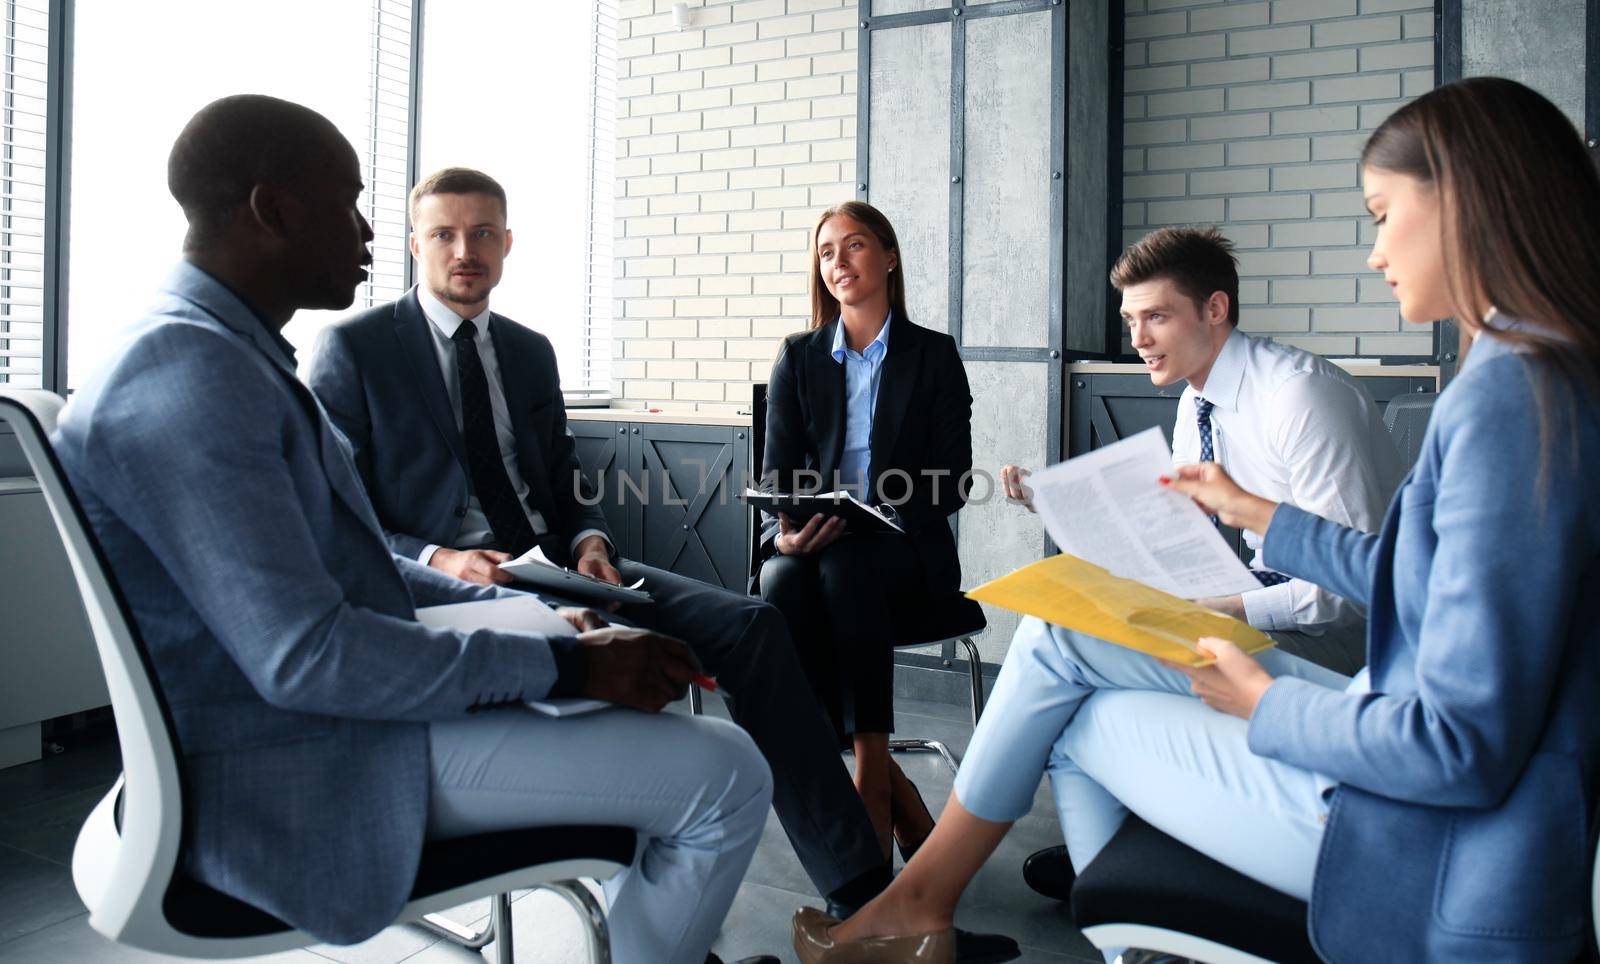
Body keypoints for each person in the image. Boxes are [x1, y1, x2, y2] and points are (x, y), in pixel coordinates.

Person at [791, 76, 1600, 964]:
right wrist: (1259, 515)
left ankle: (968, 909)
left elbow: (1457, 743)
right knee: (1064, 658)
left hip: (1414, 829)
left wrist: (1266, 702)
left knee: (1068, 700)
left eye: (1380, 213)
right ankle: (1040, 922)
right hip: (1411, 769)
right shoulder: (1537, 378)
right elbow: (1430, 582)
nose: (1374, 253)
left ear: (1464, 204)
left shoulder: (1502, 402)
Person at [53, 95, 778, 964]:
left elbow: (344, 568)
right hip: (302, 760)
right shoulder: (191, 377)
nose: (367, 232)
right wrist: (561, 662)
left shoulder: (219, 353)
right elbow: (306, 656)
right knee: (729, 777)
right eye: (350, 202)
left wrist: (543, 619)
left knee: (676, 721)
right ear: (271, 209)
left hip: (338, 712)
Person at [305, 169, 909, 935]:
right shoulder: (353, 349)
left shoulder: (527, 351)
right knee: (623, 668)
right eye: (446, 234)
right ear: (416, 243)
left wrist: (591, 538)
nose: (466, 250)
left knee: (755, 624)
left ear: (508, 243)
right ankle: (665, 917)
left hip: (559, 564)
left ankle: (864, 901)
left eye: (484, 233)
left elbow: (563, 480)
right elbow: (342, 524)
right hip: (456, 589)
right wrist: (437, 557)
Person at [1001, 225, 1404, 900]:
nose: (1138, 338)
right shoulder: (1198, 401)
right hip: (1262, 608)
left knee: (1066, 649)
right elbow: (1174, 540)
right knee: (1084, 651)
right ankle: (1122, 862)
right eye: (1131, 320)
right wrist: (1063, 507)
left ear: (1214, 310)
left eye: (1155, 316)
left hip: (1347, 643)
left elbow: (1350, 592)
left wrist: (1224, 608)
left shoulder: (1300, 397)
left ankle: (991, 853)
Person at [758, 200, 973, 867]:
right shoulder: (799, 357)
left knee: (846, 567)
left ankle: (869, 772)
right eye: (826, 252)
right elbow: (776, 476)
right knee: (780, 576)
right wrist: (781, 533)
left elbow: (955, 478)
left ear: (888, 256)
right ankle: (886, 783)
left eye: (853, 246)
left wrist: (885, 506)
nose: (839, 262)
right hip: (818, 544)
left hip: (904, 551)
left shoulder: (932, 356)